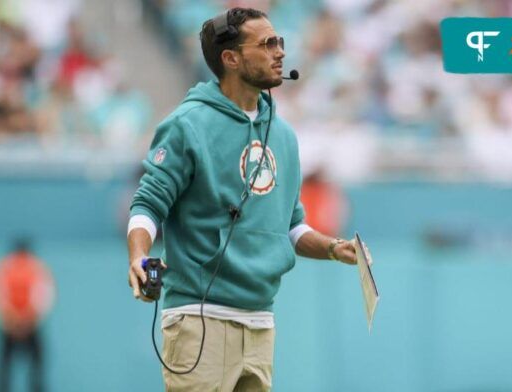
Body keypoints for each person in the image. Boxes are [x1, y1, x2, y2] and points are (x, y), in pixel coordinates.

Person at [126, 8, 360, 391]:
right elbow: (149, 203)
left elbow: (292, 227)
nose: (279, 52)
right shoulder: (188, 124)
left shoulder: (283, 136)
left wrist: (334, 248)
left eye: (279, 42)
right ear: (230, 58)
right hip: (200, 321)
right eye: (267, 44)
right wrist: (138, 256)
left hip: (260, 322)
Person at [0, 239, 55, 392]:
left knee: (34, 366)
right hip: (14, 324)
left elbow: (42, 296)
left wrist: (21, 319)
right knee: (6, 368)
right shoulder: (7, 268)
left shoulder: (33, 268)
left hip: (21, 324)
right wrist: (17, 319)